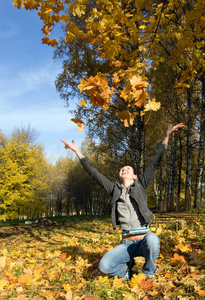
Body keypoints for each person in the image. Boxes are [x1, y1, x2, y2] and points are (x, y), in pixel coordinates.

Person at [62, 123, 184, 280]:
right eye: (122, 169)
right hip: (126, 244)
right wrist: (78, 152)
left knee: (153, 239)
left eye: (129, 169)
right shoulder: (114, 189)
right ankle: (126, 273)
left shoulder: (141, 185)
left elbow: (155, 162)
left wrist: (167, 137)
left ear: (135, 176)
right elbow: (94, 173)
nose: (124, 169)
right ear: (120, 175)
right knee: (104, 266)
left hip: (144, 240)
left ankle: (148, 273)